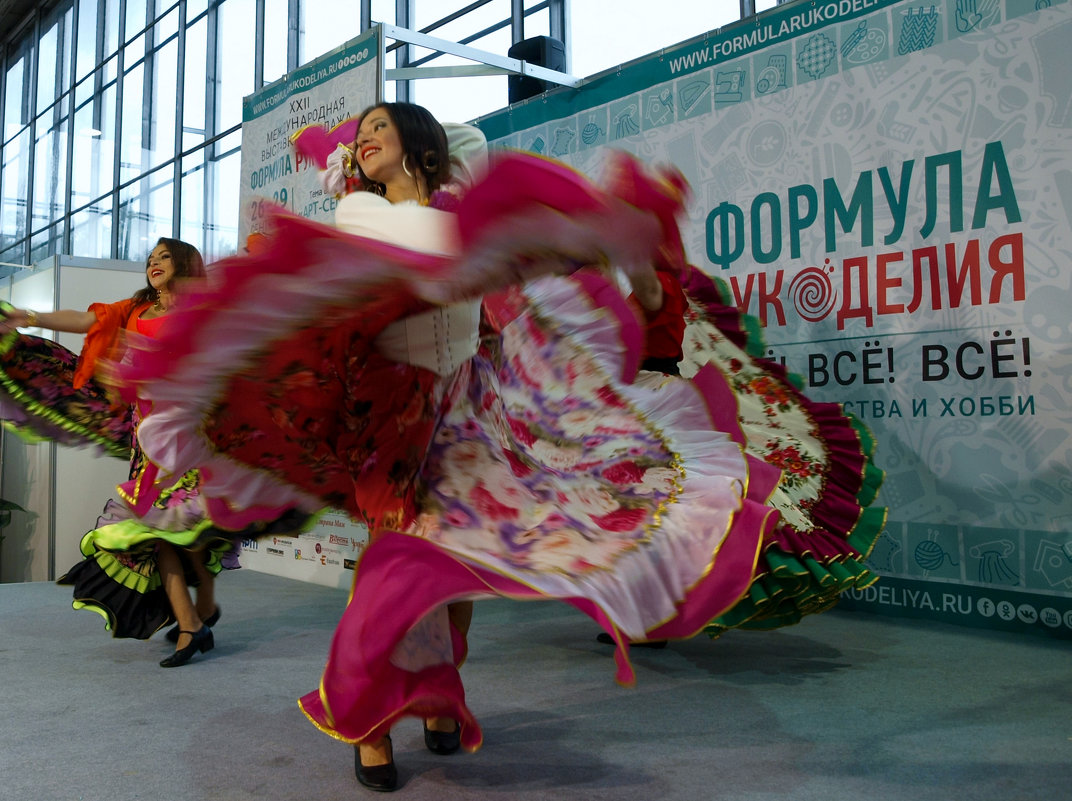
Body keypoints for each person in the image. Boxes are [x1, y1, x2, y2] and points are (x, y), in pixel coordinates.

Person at [115, 103, 884, 792]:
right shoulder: (360, 214)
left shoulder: (454, 217)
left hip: (469, 412)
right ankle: (371, 720)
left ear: (418, 144)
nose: (365, 140)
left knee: (461, 573)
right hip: (397, 420)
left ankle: (439, 693)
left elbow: (476, 177)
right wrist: (335, 158)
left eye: (380, 128)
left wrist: (594, 244)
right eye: (360, 136)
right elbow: (381, 266)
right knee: (394, 569)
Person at [0, 237, 305, 667]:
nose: (154, 264)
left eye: (164, 257)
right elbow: (87, 320)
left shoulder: (206, 309)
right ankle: (190, 623)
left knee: (193, 529)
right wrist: (28, 317)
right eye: (150, 259)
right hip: (150, 443)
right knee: (152, 531)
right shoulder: (135, 310)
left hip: (199, 437)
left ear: (184, 263)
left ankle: (206, 602)